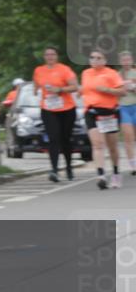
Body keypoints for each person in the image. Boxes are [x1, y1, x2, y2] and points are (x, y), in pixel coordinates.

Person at [80, 49, 126, 190]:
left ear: (105, 61)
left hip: (109, 112)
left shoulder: (111, 73)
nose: (95, 60)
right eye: (92, 57)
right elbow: (85, 90)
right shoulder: (85, 73)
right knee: (97, 144)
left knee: (112, 147)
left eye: (99, 58)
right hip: (92, 112)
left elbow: (122, 91)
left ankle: (116, 174)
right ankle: (101, 176)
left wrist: (107, 90)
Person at [32, 46, 80, 182]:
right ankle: (54, 170)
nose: (50, 57)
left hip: (66, 109)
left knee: (65, 139)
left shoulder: (64, 69)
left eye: (52, 54)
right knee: (53, 138)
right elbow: (36, 86)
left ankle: (69, 167)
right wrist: (36, 91)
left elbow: (75, 87)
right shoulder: (39, 70)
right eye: (47, 55)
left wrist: (59, 89)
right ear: (44, 57)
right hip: (48, 109)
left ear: (57, 56)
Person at [119, 50, 136, 175]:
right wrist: (122, 89)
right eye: (124, 60)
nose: (126, 62)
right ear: (120, 62)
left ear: (132, 60)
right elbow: (113, 92)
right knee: (128, 137)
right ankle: (133, 165)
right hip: (123, 107)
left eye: (128, 60)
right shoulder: (117, 75)